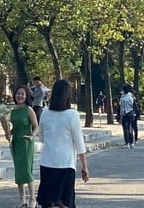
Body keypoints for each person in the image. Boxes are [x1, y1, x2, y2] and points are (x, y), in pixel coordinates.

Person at [36, 80, 89, 208]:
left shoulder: (45, 113)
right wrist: (84, 167)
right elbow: (79, 143)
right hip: (65, 164)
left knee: (48, 201)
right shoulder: (72, 115)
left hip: (47, 163)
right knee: (65, 201)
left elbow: (41, 137)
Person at [6, 84, 39, 208]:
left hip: (26, 142)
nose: (20, 96)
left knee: (26, 170)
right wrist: (8, 134)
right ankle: (22, 198)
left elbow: (36, 127)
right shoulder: (12, 111)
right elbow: (14, 128)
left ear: (26, 96)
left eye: (22, 94)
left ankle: (32, 198)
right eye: (18, 93)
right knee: (18, 171)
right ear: (15, 95)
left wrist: (32, 136)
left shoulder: (29, 110)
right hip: (16, 142)